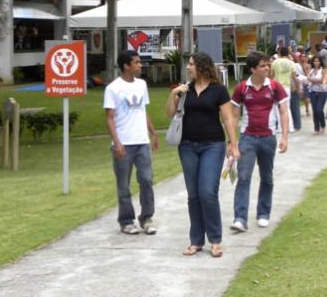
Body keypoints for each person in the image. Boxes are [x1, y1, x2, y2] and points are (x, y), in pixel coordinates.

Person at [165, 52, 238, 258]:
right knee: (193, 195)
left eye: (191, 64)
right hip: (187, 146)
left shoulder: (219, 90)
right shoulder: (185, 90)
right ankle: (196, 240)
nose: (188, 68)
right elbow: (170, 113)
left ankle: (215, 240)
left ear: (202, 67)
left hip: (212, 146)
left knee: (207, 192)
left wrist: (233, 143)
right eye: (188, 64)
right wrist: (174, 95)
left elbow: (228, 118)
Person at [230, 51, 289, 232]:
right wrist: (232, 143)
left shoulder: (274, 86)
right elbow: (233, 117)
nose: (267, 68)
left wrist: (285, 137)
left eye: (268, 65)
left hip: (268, 138)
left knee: (267, 177)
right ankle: (240, 218)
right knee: (244, 176)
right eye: (263, 65)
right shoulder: (241, 88)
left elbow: (284, 111)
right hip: (247, 138)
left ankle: (263, 214)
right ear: (253, 69)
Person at [104, 50, 159, 235]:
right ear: (126, 66)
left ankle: (147, 218)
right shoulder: (113, 88)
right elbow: (110, 118)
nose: (140, 65)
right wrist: (116, 142)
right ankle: (126, 221)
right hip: (124, 144)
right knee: (123, 185)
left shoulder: (142, 85)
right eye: (136, 62)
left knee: (146, 179)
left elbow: (142, 111)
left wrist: (153, 132)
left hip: (141, 142)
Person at [270, 47, 297, 132]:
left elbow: (271, 74)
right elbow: (293, 76)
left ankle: (281, 128)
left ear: (280, 53)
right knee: (287, 107)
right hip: (287, 86)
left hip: (277, 86)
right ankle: (290, 127)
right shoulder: (292, 63)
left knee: (278, 107)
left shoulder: (275, 62)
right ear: (288, 53)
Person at [306, 55, 327, 135]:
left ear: (320, 62)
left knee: (319, 110)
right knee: (315, 111)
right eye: (315, 61)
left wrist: (312, 80)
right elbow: (307, 79)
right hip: (313, 92)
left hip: (322, 92)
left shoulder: (323, 70)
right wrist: (312, 80)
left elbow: (321, 80)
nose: (316, 63)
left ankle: (323, 124)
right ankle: (316, 128)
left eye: (318, 61)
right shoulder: (311, 70)